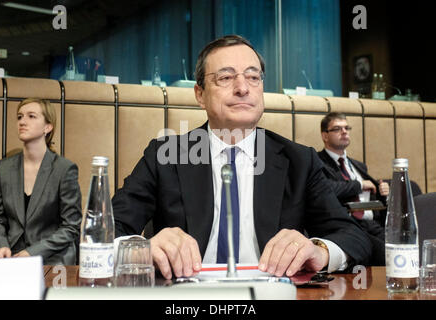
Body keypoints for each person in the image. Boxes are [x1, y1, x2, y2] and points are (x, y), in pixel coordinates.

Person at [112, 35, 372, 280]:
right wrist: (141, 249)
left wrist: (319, 250)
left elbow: (353, 236)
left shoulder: (299, 161)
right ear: (200, 95)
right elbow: (106, 231)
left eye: (253, 77)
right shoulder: (165, 156)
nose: (242, 88)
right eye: (225, 77)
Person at [0, 98, 82, 265]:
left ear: (48, 127)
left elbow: (71, 227)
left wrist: (32, 252)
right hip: (13, 257)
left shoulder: (64, 169)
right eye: (19, 117)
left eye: (31, 116)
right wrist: (1, 245)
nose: (22, 121)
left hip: (53, 259)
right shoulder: (4, 168)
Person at [318, 112, 389, 265]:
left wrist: (383, 192)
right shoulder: (317, 162)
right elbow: (328, 188)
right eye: (337, 129)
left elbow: (374, 197)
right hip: (349, 226)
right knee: (387, 255)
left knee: (404, 246)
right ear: (325, 135)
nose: (344, 132)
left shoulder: (358, 166)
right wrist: (359, 185)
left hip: (373, 223)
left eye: (346, 128)